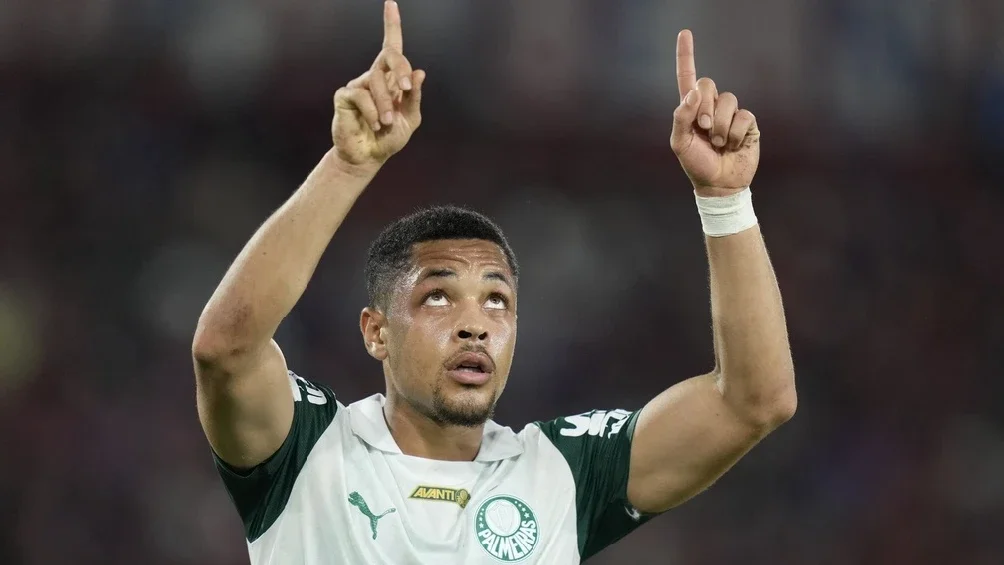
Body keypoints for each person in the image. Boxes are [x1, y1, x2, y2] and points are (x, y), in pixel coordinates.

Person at [191, 2, 796, 563]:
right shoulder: (308, 452)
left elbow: (754, 402)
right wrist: (349, 166)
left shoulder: (563, 473)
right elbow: (226, 349)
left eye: (497, 301)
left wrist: (725, 200)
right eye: (437, 296)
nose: (475, 324)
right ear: (376, 332)